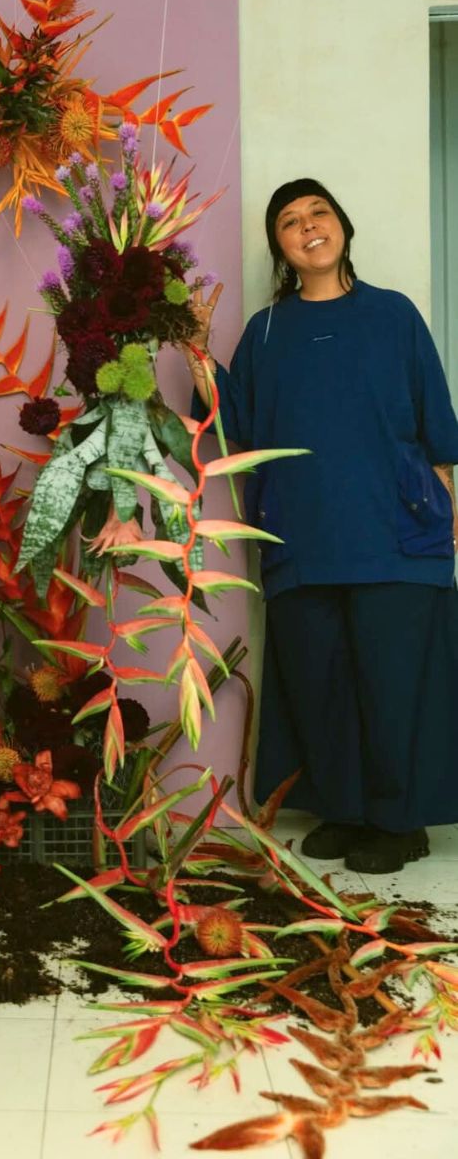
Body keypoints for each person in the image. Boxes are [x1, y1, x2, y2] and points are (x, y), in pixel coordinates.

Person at [185, 177, 458, 875]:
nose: (307, 227)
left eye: (318, 213)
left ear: (342, 225)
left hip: (397, 530)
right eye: (288, 222)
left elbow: (438, 424)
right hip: (301, 537)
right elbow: (234, 424)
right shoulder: (268, 331)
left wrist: (451, 510)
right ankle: (345, 809)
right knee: (320, 680)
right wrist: (194, 351)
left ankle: (398, 823)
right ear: (278, 246)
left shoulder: (394, 315)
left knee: (395, 682)